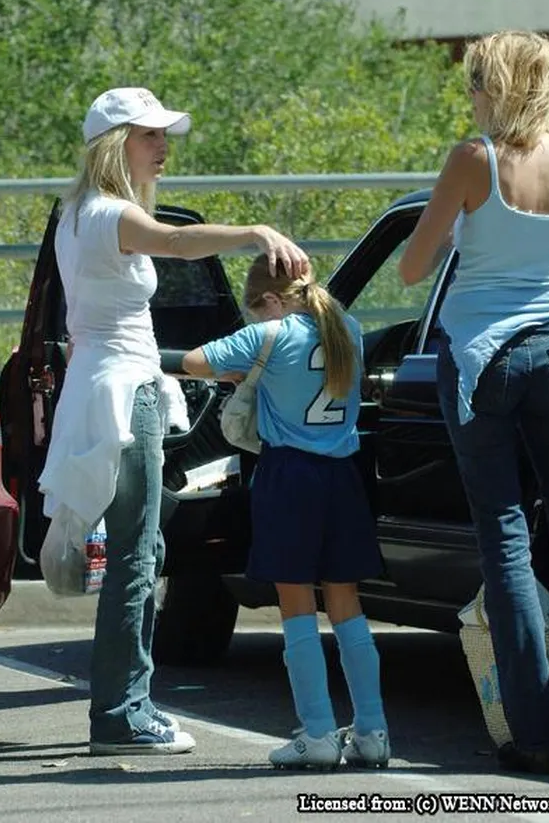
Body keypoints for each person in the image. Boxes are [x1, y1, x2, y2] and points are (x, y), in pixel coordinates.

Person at [37, 87, 309, 756]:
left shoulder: (76, 211)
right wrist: (255, 232)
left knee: (141, 551)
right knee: (137, 554)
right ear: (115, 142)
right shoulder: (108, 212)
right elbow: (178, 241)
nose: (164, 146)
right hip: (124, 392)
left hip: (108, 388)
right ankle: (123, 711)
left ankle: (122, 704)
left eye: (164, 134)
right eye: (150, 134)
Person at [399, 30, 549, 775]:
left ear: (494, 86)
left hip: (482, 360)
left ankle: (533, 734)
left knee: (505, 542)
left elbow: (411, 269)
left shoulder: (476, 159)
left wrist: (464, 227)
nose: (469, 94)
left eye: (474, 81)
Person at [182, 255, 390, 771]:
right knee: (348, 606)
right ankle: (373, 731)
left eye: (257, 311)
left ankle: (317, 732)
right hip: (343, 476)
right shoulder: (350, 326)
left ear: (272, 300)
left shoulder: (269, 336)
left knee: (295, 604)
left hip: (289, 476)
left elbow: (193, 362)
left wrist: (249, 363)